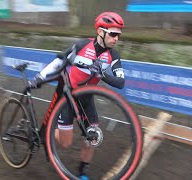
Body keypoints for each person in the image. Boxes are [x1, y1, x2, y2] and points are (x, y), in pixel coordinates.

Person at [29, 12, 125, 180]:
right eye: (113, 33)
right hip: (68, 98)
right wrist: (39, 77)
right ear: (101, 31)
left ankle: (82, 173)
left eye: (119, 34)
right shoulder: (82, 45)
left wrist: (102, 74)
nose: (116, 38)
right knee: (66, 143)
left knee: (93, 138)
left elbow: (120, 82)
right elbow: (59, 61)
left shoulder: (113, 56)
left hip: (87, 99)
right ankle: (49, 132)